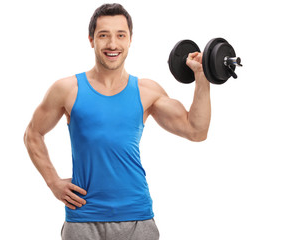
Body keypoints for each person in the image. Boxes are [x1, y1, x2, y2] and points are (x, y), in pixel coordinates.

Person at [23, 3, 211, 240]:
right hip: (84, 217)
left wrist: (202, 77)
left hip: (137, 219)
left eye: (120, 35)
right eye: (104, 35)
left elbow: (196, 130)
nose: (112, 44)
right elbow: (32, 134)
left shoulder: (146, 91)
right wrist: (53, 182)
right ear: (91, 40)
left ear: (130, 39)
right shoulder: (67, 89)